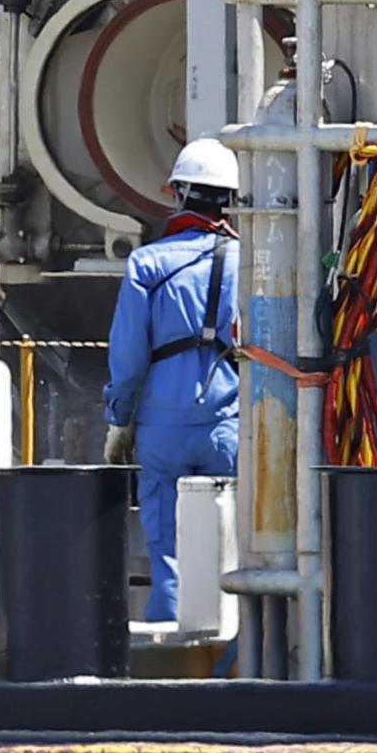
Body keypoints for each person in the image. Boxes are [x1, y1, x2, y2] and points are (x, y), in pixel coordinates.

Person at [103, 137, 247, 621]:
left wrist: (119, 420)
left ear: (178, 194)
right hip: (229, 420)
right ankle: (231, 645)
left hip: (161, 426)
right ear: (230, 199)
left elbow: (127, 356)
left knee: (165, 539)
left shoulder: (147, 264)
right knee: (230, 537)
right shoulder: (252, 262)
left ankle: (170, 647)